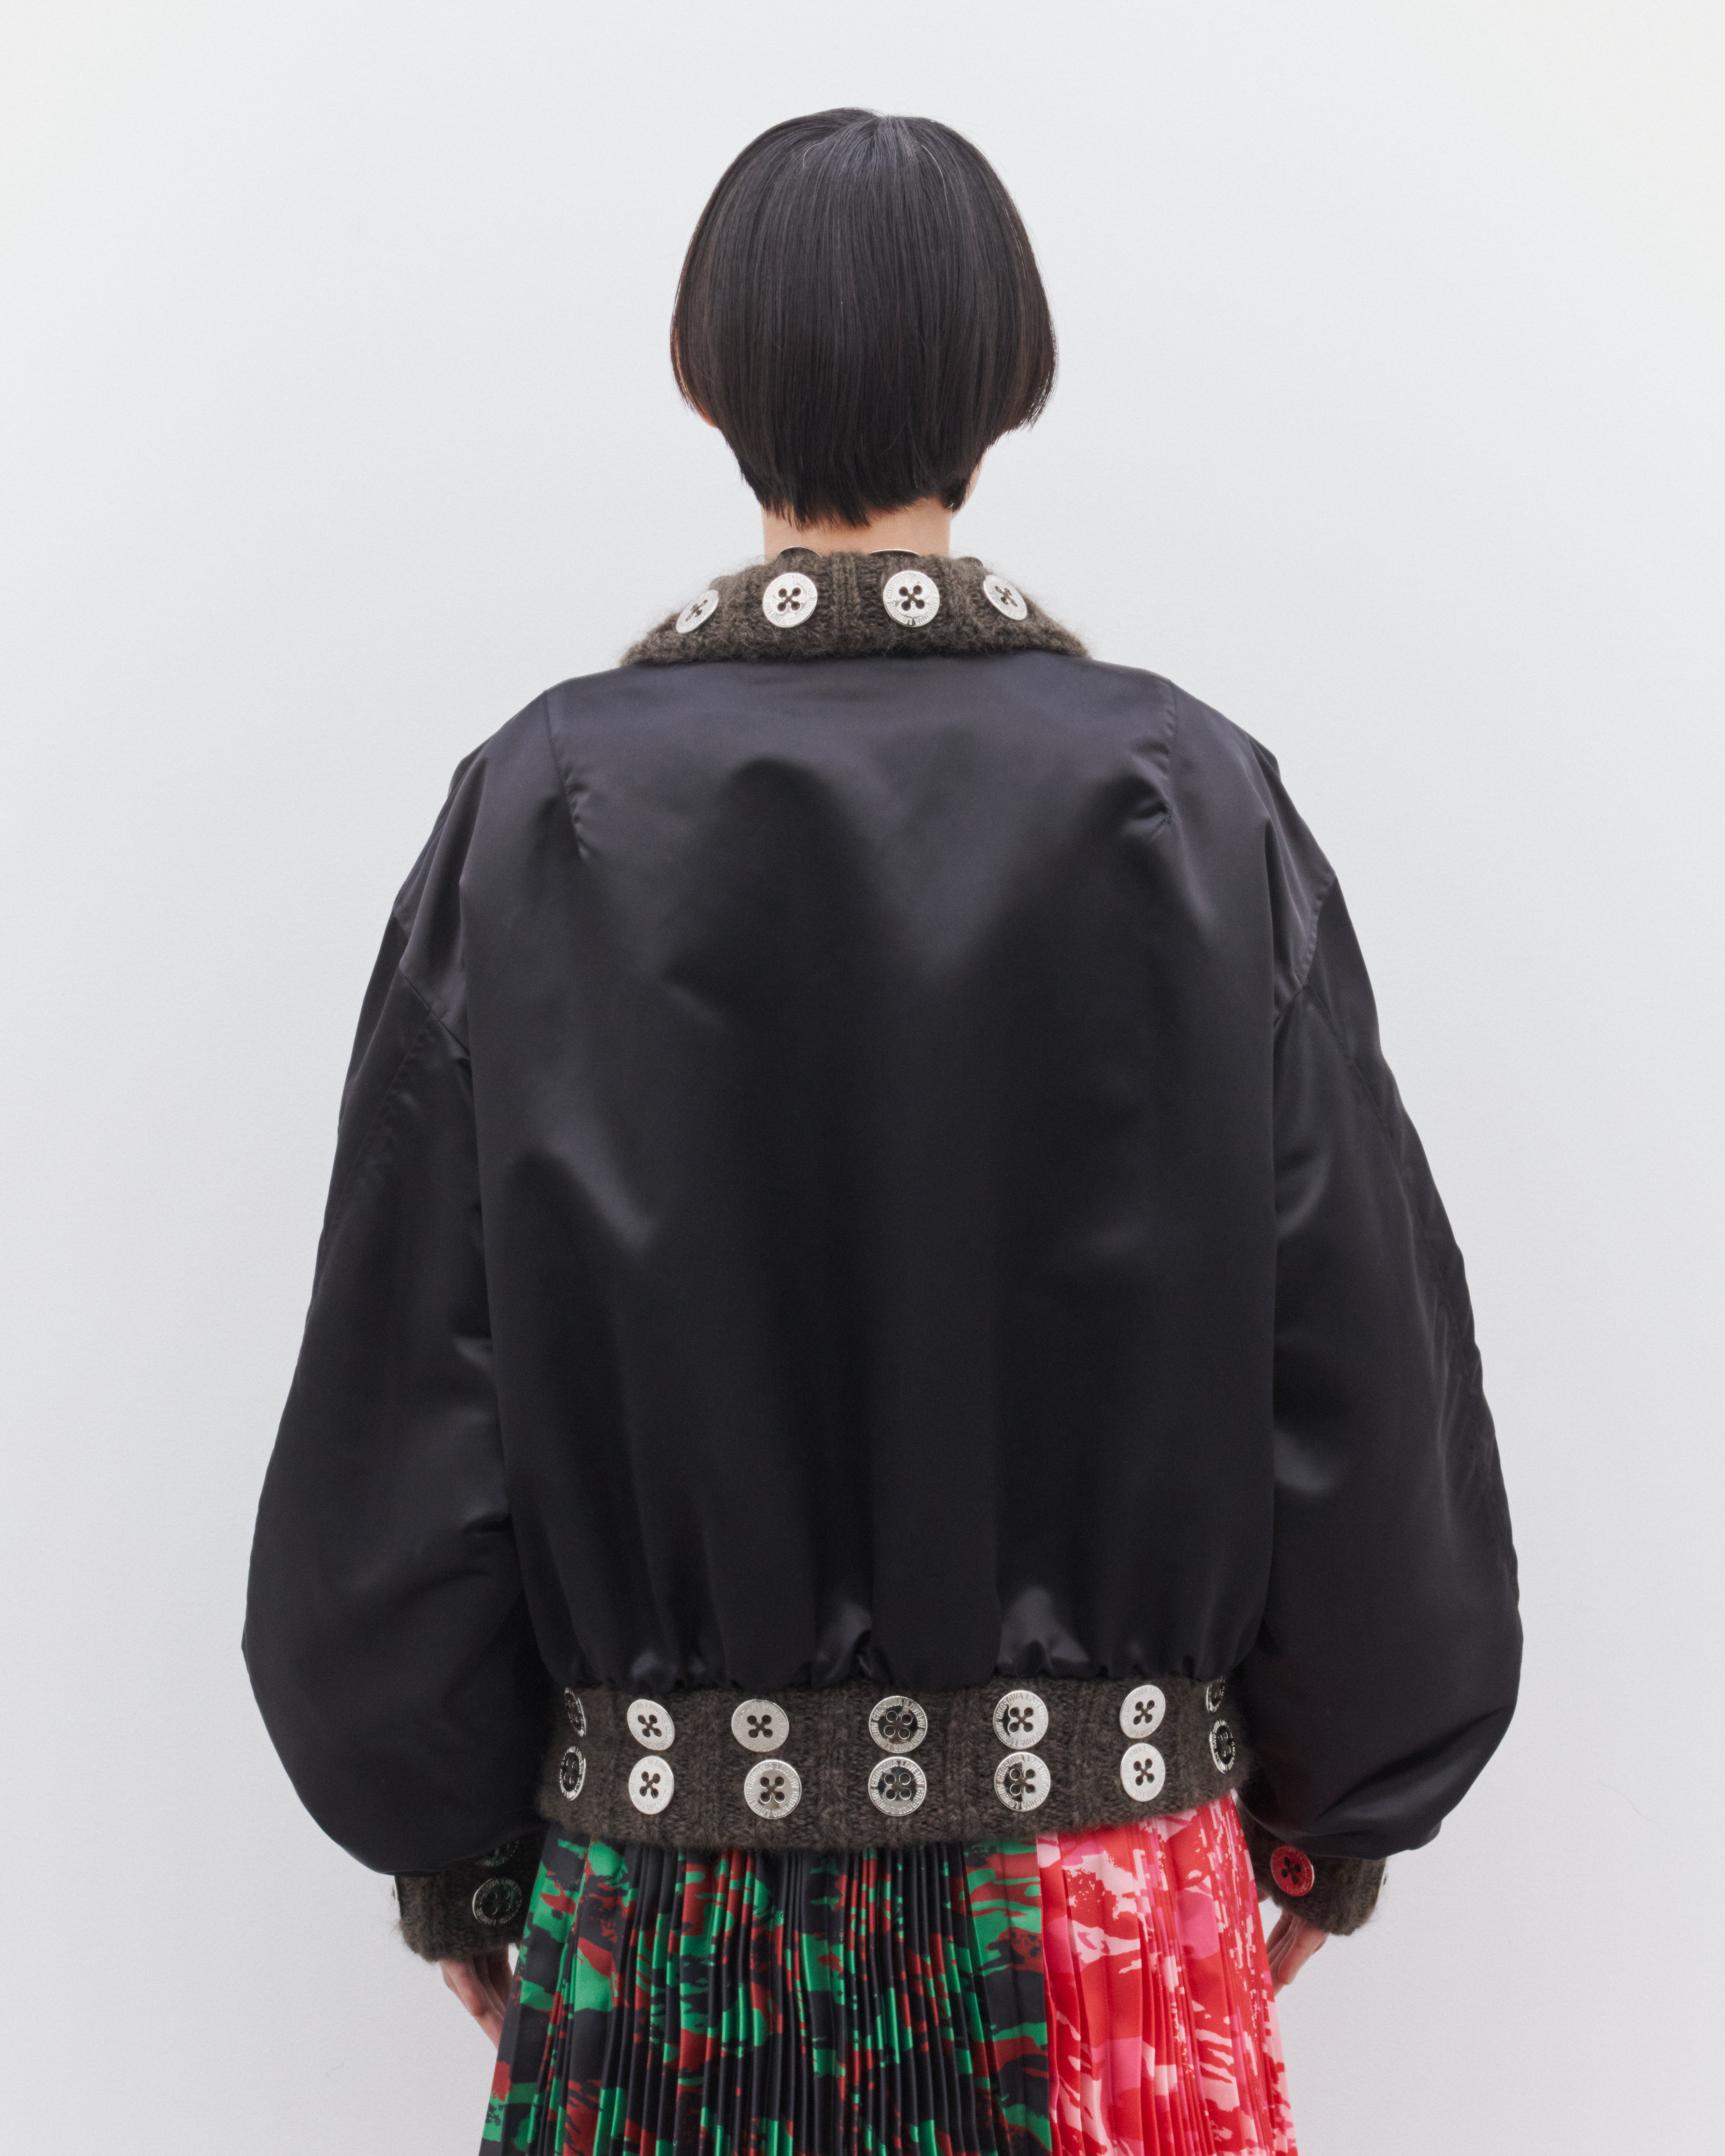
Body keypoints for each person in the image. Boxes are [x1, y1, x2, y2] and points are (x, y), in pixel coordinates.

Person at [245, 109, 1520, 2156]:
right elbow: (1357, 1364)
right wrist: (1329, 1821)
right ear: (1011, 380)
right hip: (1097, 1916)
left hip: (664, 1927)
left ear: (703, 380)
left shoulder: (541, 811)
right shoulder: (1189, 798)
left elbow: (407, 1399)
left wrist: (461, 1859)